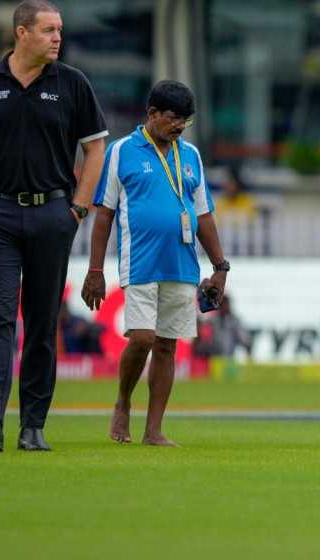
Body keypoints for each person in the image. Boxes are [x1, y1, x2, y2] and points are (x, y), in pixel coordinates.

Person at [0, 0, 108, 452]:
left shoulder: (73, 84)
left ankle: (32, 425)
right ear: (22, 33)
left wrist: (77, 209)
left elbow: (95, 150)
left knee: (40, 321)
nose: (58, 37)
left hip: (52, 215)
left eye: (60, 30)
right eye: (49, 30)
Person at [81, 80, 229, 447]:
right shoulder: (121, 151)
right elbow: (104, 216)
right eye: (174, 118)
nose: (179, 127)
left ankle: (154, 429)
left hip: (182, 265)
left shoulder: (190, 155)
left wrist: (220, 268)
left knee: (167, 345)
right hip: (140, 262)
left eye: (185, 121)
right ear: (152, 114)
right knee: (143, 338)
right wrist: (95, 270)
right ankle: (123, 401)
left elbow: (204, 216)